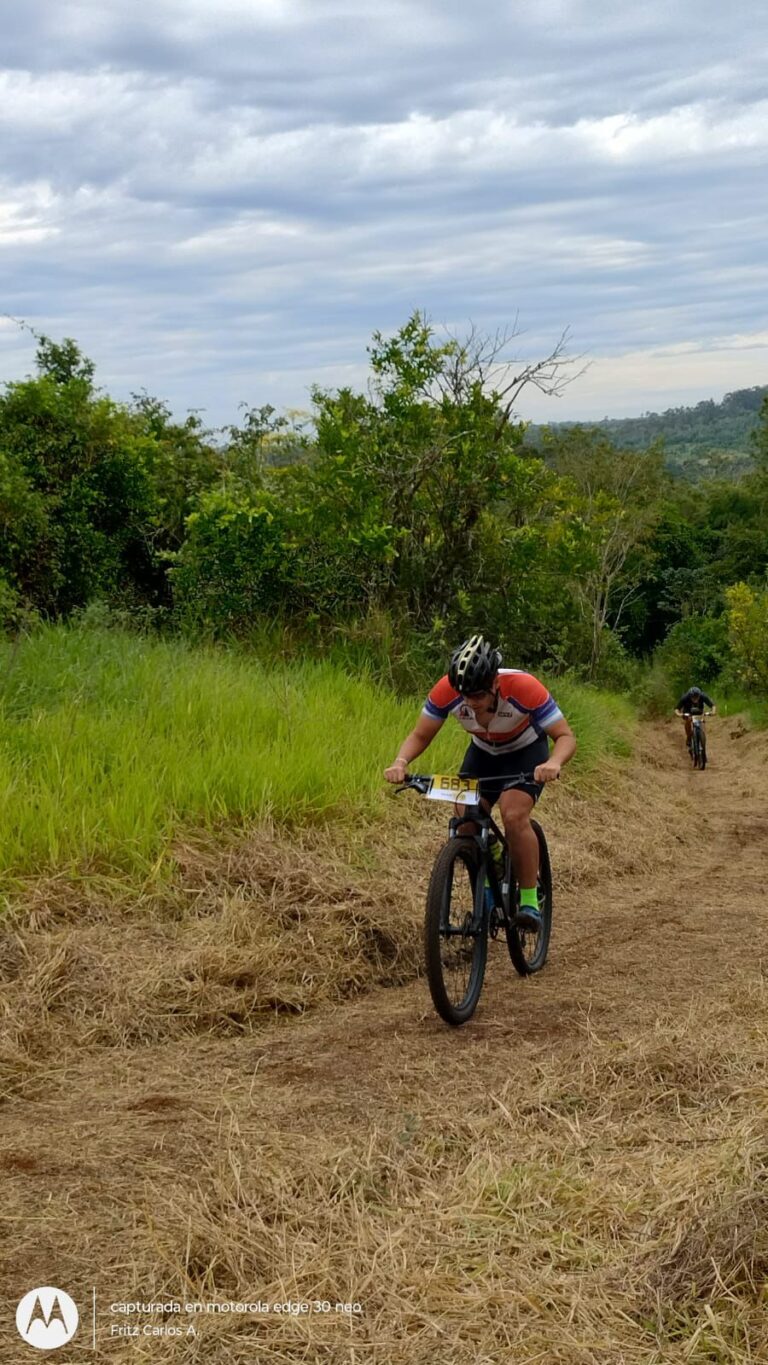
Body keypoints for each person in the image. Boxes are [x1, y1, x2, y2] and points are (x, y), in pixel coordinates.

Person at [384, 634, 576, 930]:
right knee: (464, 818)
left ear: (495, 685)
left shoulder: (524, 688)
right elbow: (420, 735)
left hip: (525, 752)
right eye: (464, 696)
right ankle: (488, 878)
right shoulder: (447, 690)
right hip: (483, 752)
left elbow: (565, 737)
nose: (469, 703)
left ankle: (529, 901)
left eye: (478, 696)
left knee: (513, 815)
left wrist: (553, 763)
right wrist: (400, 762)